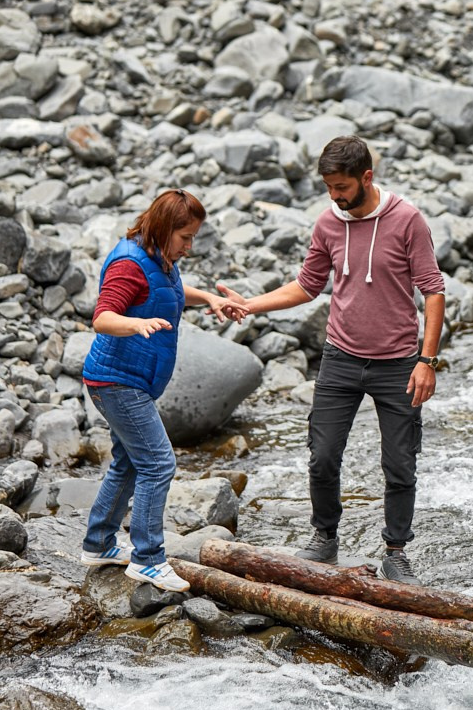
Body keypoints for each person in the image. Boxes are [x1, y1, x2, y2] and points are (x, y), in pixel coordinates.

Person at [218, 136, 445, 585]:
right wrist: (252, 304)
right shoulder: (327, 223)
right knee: (322, 456)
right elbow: (306, 285)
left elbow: (433, 290)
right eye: (328, 188)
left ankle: (396, 551)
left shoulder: (407, 220)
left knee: (399, 463)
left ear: (366, 178)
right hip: (340, 357)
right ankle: (325, 537)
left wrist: (427, 361)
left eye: (342, 187)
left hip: (398, 362)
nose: (335, 197)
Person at [80, 188, 247, 593]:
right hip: (116, 382)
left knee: (128, 461)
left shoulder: (159, 257)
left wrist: (207, 296)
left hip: (131, 380)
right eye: (185, 237)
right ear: (163, 227)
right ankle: (148, 560)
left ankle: (99, 544)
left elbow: (166, 293)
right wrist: (134, 325)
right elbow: (102, 317)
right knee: (158, 463)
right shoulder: (128, 264)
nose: (190, 247)